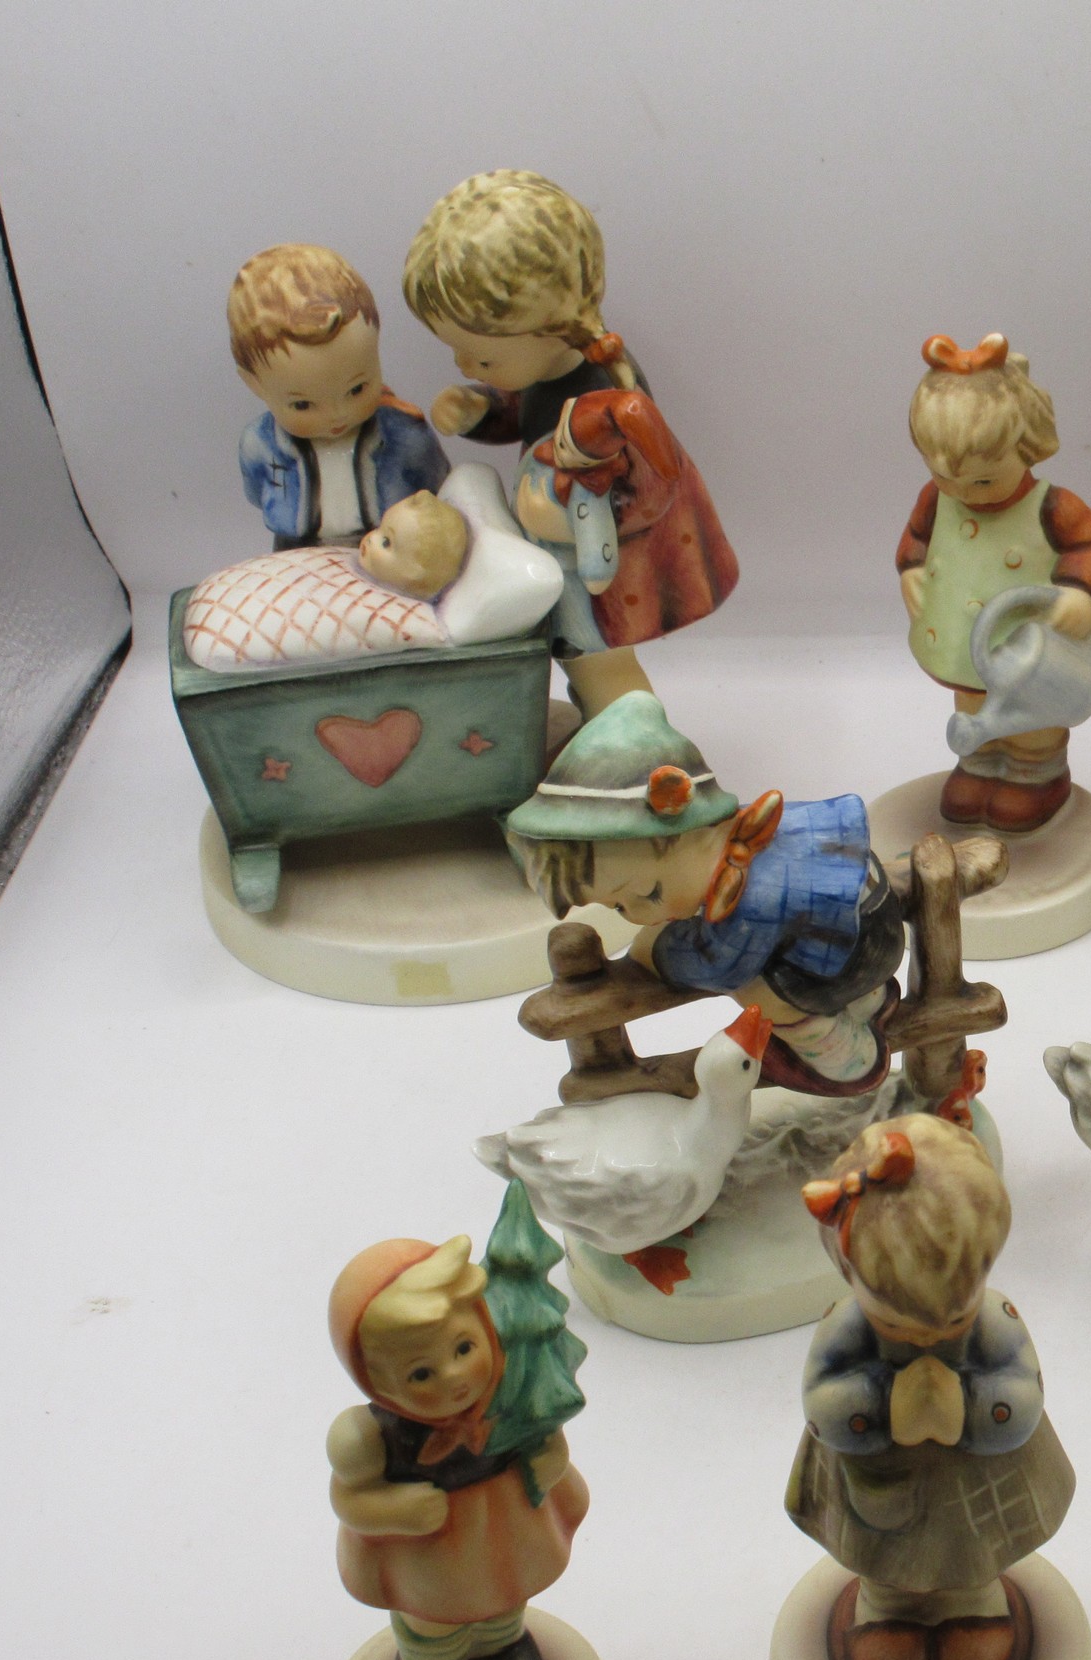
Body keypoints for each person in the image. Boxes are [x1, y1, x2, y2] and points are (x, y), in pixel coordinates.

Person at [404, 170, 737, 717]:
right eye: (458, 353)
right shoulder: (550, 370)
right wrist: (482, 411)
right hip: (571, 567)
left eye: (483, 358)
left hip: (606, 578)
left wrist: (564, 524)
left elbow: (654, 487)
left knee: (600, 662)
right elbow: (528, 411)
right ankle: (601, 729)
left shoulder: (612, 400)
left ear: (553, 328)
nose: (464, 365)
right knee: (577, 658)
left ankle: (636, 740)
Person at [787, 1116, 1073, 1660]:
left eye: (954, 1316)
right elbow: (820, 1398)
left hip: (977, 1482)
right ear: (849, 1276)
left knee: (973, 1555)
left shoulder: (998, 1319)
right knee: (884, 1559)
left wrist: (967, 1410)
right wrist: (882, 1408)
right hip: (875, 1479)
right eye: (896, 1320)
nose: (926, 1336)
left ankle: (974, 1606)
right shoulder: (843, 1323)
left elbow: (1023, 1390)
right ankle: (887, 1611)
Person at [506, 694, 906, 1096]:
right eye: (618, 906)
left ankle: (842, 1056)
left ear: (697, 835)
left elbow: (718, 966)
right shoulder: (741, 831)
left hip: (860, 953)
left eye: (649, 892)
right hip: (865, 921)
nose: (639, 917)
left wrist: (656, 952)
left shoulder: (754, 902)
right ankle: (868, 1002)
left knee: (757, 992)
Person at [325, 1219, 588, 1660]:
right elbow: (348, 1498)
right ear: (373, 1377)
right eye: (421, 1374)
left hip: (501, 1531)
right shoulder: (365, 1437)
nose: (453, 1377)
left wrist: (550, 1458)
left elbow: (546, 1438)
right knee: (435, 1620)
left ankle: (504, 1651)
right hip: (431, 1552)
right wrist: (393, 1509)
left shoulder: (509, 1398)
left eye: (464, 1348)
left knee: (504, 1598)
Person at [899, 334, 1091, 833]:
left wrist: (1078, 592)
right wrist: (911, 569)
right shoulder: (937, 498)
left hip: (1029, 647)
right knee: (973, 701)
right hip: (963, 643)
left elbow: (1089, 543)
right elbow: (917, 536)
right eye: (943, 476)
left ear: (1028, 449)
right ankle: (978, 765)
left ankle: (1036, 775)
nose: (961, 493)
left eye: (982, 481)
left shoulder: (1051, 506)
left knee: (1031, 717)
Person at [230, 244, 448, 549]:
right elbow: (257, 493)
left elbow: (437, 485)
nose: (337, 414)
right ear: (254, 384)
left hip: (388, 549)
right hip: (297, 549)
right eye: (303, 405)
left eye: (357, 389)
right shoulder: (259, 444)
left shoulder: (405, 433)